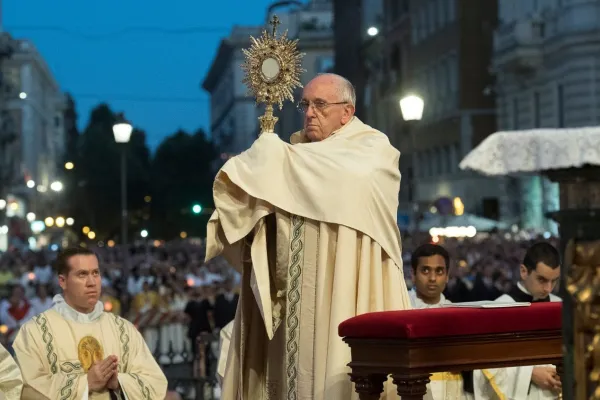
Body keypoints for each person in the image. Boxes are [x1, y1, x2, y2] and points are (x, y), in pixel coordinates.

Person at [206, 72, 411, 399]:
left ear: (347, 112)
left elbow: (343, 176)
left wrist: (272, 157)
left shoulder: (372, 150)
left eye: (320, 105)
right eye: (305, 105)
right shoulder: (297, 155)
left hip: (348, 286)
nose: (310, 112)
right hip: (294, 299)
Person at [12, 247, 168, 399]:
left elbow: (155, 382)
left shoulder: (123, 329)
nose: (92, 282)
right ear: (62, 281)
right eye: (82, 274)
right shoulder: (34, 332)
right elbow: (27, 389)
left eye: (96, 273)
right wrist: (85, 383)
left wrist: (119, 382)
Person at [473, 241, 562, 399]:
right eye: (542, 280)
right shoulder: (500, 308)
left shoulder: (560, 306)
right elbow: (485, 365)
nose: (549, 288)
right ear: (523, 271)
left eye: (554, 281)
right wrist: (530, 374)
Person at [410, 243, 473, 400]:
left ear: (447, 276)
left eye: (439, 271)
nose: (432, 278)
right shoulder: (400, 309)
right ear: (413, 274)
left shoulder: (456, 314)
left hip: (451, 391)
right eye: (425, 270)